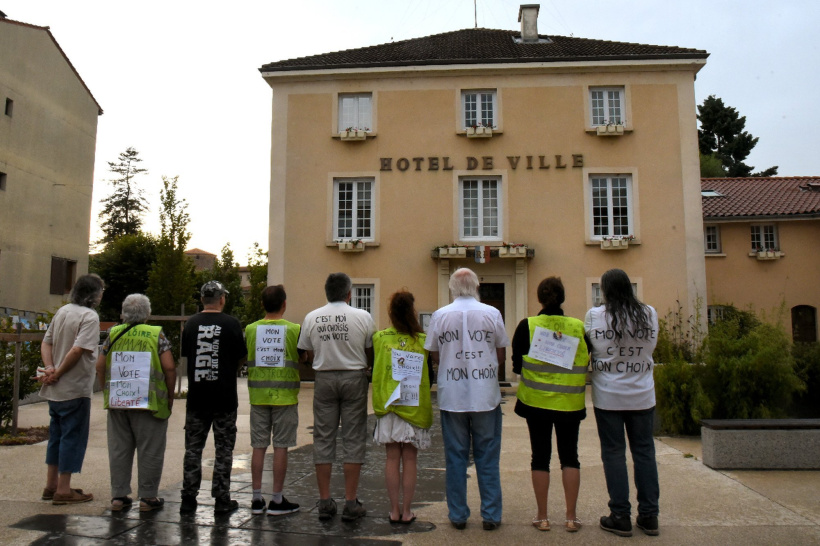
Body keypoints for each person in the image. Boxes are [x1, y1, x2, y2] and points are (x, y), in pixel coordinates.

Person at [424, 268, 509, 531]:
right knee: (488, 456)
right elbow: (501, 354)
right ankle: (491, 515)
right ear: (476, 287)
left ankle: (458, 514)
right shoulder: (492, 313)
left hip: (453, 395)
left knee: (455, 456)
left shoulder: (440, 315)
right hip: (485, 394)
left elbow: (435, 355)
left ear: (452, 288)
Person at [585, 269, 660, 537]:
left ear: (605, 290)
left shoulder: (595, 316)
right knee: (644, 452)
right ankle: (650, 516)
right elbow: (651, 348)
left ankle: (620, 514)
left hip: (609, 395)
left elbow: (588, 351)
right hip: (642, 393)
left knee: (614, 453)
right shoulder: (649, 313)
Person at [512, 277, 588, 533]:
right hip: (569, 402)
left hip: (537, 402)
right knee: (570, 457)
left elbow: (515, 365)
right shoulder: (578, 327)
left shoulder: (528, 325)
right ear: (563, 298)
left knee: (540, 457)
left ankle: (542, 517)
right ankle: (571, 517)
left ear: (539, 298)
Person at [298, 272, 375, 521]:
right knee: (353, 438)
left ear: (326, 292)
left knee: (323, 437)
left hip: (325, 378)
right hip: (354, 377)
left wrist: (314, 362)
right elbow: (370, 349)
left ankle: (324, 501)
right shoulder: (363, 316)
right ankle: (351, 501)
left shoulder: (312, 317)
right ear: (349, 293)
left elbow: (304, 351)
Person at [96, 294, 176, 512]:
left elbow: (100, 365)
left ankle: (119, 497)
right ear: (147, 314)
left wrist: (106, 389)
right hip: (148, 403)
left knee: (119, 448)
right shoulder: (155, 334)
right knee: (150, 449)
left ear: (123, 313)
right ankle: (148, 498)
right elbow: (169, 367)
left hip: (118, 400)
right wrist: (169, 396)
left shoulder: (113, 333)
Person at [179, 281, 247, 514]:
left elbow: (187, 355)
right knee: (224, 449)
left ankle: (188, 499)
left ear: (201, 299)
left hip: (197, 398)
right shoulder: (232, 324)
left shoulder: (191, 324)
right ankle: (221, 499)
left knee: (193, 449)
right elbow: (240, 357)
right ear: (221, 299)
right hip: (224, 398)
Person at [38, 273, 105, 505]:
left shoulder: (63, 311)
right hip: (74, 388)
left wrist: (49, 368)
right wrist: (59, 373)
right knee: (72, 437)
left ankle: (51, 485)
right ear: (93, 296)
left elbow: (46, 342)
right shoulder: (90, 317)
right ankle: (64, 489)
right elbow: (78, 350)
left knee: (55, 436)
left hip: (54, 390)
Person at [371, 291, 433, 524]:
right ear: (411, 311)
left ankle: (393, 510)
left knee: (391, 458)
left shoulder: (380, 338)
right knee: (409, 459)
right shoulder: (422, 339)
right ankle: (407, 511)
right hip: (413, 405)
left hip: (389, 406)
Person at [244, 285, 303, 516]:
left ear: (261, 305)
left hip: (258, 396)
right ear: (284, 304)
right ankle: (277, 500)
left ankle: (257, 499)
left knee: (258, 446)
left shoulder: (250, 329)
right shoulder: (293, 329)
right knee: (281, 446)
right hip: (285, 397)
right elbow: (304, 355)